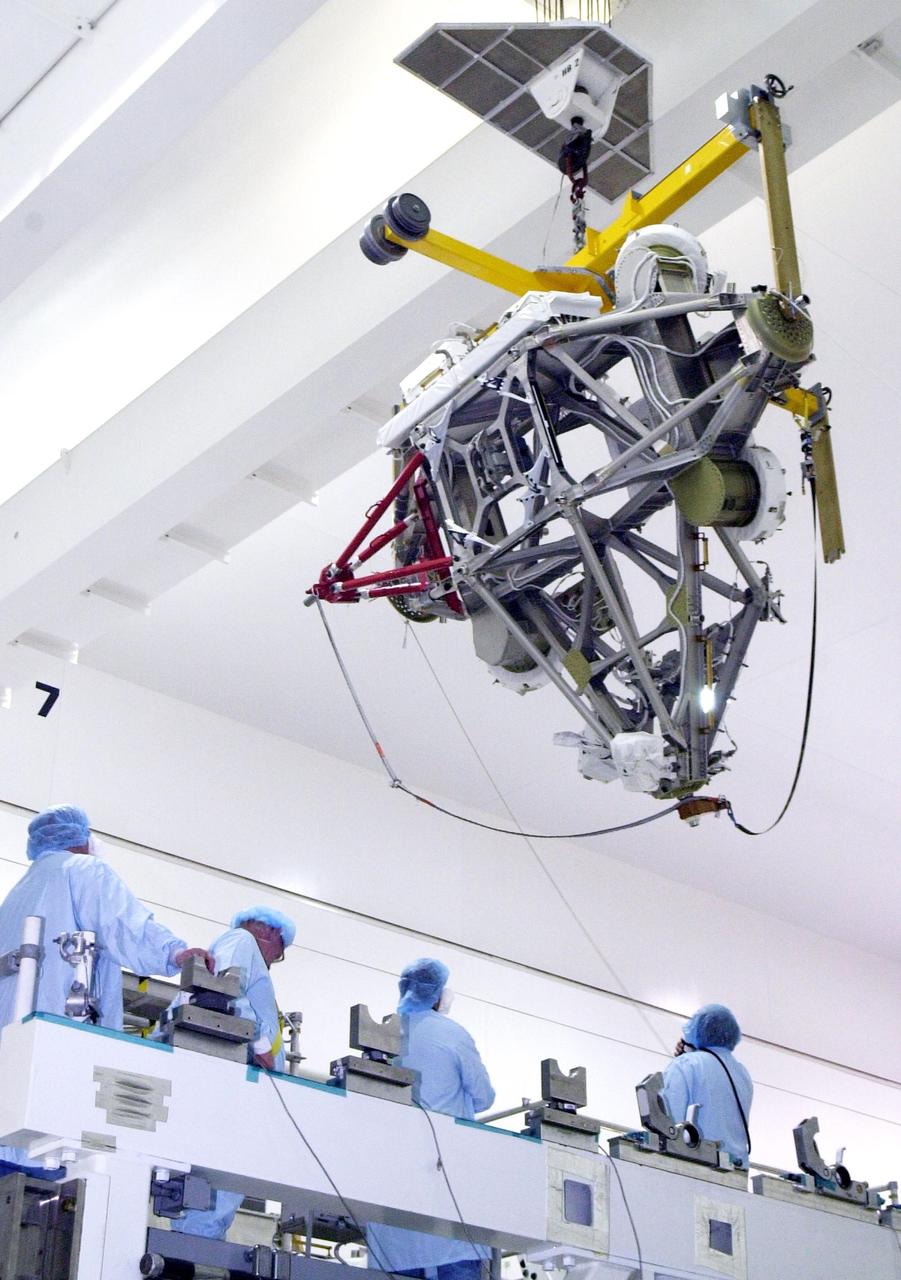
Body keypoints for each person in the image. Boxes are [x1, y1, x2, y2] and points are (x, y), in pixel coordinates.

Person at [0, 804, 213, 1173]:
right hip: (58, 1052)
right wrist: (176, 953)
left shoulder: (18, 892)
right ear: (82, 839)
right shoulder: (85, 869)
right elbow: (124, 926)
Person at [170, 904, 296, 1240]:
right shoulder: (241, 941)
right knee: (208, 1203)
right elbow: (219, 990)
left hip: (230, 1088)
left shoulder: (243, 949)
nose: (273, 962)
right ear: (269, 934)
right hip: (227, 1088)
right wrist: (261, 1045)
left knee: (211, 1201)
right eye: (279, 953)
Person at [367, 958, 495, 1280]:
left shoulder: (384, 1035)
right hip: (448, 1212)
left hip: (391, 1237)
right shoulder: (452, 1034)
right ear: (436, 994)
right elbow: (484, 1097)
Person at [661, 1003, 753, 1164]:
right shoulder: (743, 1075)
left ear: (695, 1031)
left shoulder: (686, 1064)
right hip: (735, 1170)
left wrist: (683, 1058)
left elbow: (667, 1123)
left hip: (696, 1165)